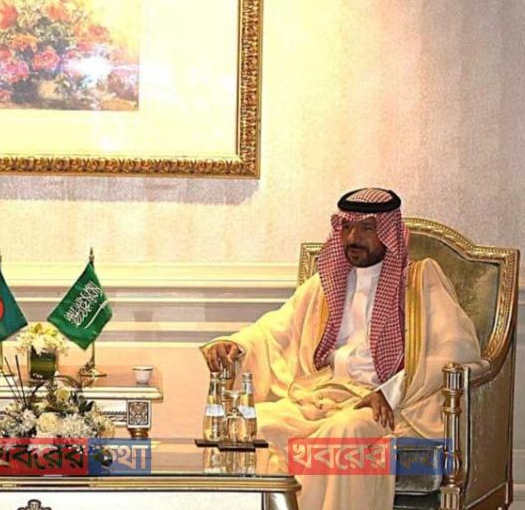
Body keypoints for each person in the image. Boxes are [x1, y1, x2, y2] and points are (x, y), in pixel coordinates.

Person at [201, 188, 484, 510]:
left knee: (345, 432)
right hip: (321, 398)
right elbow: (275, 331)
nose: (353, 237)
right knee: (257, 424)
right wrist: (236, 346)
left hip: (385, 407)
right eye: (347, 227)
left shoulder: (420, 281)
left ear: (388, 232)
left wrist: (389, 392)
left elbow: (456, 348)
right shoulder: (326, 283)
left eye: (366, 228)